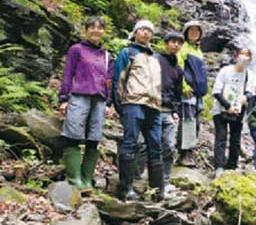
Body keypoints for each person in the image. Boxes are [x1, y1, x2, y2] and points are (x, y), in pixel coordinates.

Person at [58, 16, 113, 190]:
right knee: (73, 134)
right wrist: (64, 99)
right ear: (86, 30)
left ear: (104, 31)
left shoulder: (107, 56)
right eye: (92, 27)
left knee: (94, 137)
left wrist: (109, 102)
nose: (96, 30)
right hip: (79, 95)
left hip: (100, 99)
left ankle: (87, 180)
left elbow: (110, 80)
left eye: (100, 28)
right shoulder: (76, 50)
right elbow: (68, 74)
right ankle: (74, 180)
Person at [112, 19, 163, 201]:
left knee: (156, 146)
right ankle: (126, 188)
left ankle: (157, 190)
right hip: (133, 104)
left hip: (154, 107)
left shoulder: (155, 58)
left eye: (149, 30)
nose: (145, 33)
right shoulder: (128, 53)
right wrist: (121, 107)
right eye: (142, 29)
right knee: (130, 143)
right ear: (135, 32)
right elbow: (118, 81)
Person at [211, 47, 253, 176]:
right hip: (221, 108)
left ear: (250, 60)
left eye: (247, 55)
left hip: (238, 111)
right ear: (236, 56)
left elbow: (251, 93)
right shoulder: (226, 70)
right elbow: (216, 91)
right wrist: (227, 106)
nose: (244, 57)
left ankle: (232, 166)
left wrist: (246, 96)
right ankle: (219, 167)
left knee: (235, 139)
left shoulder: (248, 74)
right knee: (221, 137)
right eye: (241, 54)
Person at [157, 31, 184, 194]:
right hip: (153, 109)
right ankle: (140, 179)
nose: (175, 45)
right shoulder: (155, 60)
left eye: (179, 43)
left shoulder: (178, 69)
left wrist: (176, 110)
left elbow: (177, 92)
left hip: (168, 112)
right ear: (166, 43)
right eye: (172, 41)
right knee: (146, 146)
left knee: (168, 146)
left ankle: (165, 181)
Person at [178, 20, 208, 164]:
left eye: (197, 30)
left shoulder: (198, 50)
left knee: (195, 122)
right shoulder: (183, 48)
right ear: (186, 32)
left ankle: (189, 151)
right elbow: (179, 68)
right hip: (188, 92)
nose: (194, 33)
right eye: (191, 30)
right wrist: (184, 87)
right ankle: (184, 153)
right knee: (188, 122)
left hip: (198, 93)